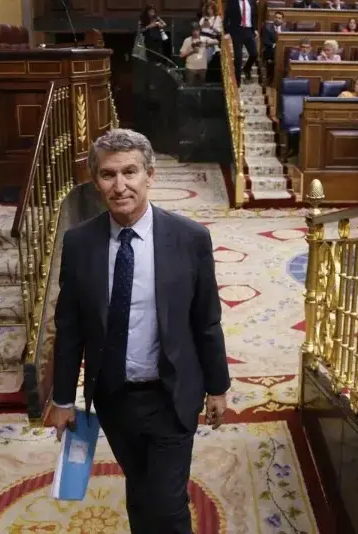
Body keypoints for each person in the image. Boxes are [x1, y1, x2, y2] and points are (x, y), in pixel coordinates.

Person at [51, 128, 230, 534]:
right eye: (108, 174)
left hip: (172, 394)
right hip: (113, 397)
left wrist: (217, 387)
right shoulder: (79, 243)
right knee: (142, 487)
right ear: (96, 181)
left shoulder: (190, 238)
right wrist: (62, 398)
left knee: (166, 505)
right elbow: (69, 328)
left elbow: (206, 319)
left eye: (130, 172)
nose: (120, 185)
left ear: (150, 175)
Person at [223, 0, 258, 84]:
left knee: (254, 54)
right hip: (237, 31)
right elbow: (226, 17)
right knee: (238, 58)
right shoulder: (232, 1)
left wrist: (255, 29)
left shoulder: (251, 1)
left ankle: (247, 68)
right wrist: (227, 32)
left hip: (248, 31)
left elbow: (254, 16)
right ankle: (237, 81)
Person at [262, 11, 285, 75]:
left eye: (279, 18)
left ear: (282, 20)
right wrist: (275, 45)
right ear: (274, 18)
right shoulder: (267, 28)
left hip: (282, 51)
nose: (277, 19)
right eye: (276, 17)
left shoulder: (285, 29)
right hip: (271, 50)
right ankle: (270, 77)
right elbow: (265, 41)